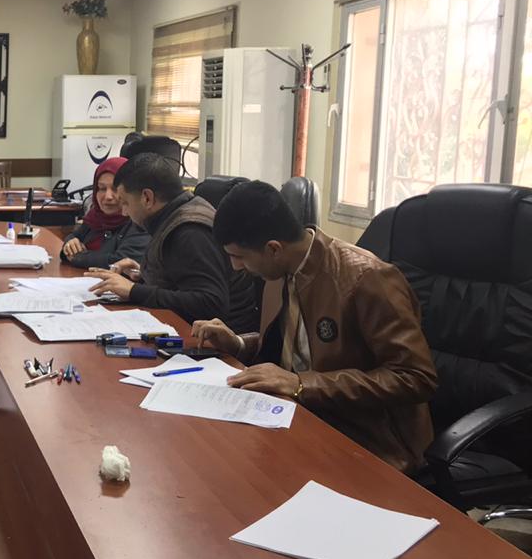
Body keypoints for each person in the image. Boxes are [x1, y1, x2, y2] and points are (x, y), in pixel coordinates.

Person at [191, 180, 437, 471]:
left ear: (273, 248)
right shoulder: (279, 270)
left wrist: (302, 384)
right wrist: (239, 344)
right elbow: (298, 345)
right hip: (296, 416)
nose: (236, 267)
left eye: (239, 257)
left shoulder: (366, 278)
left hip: (365, 438)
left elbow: (415, 377)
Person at [88, 153, 258, 333]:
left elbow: (211, 303)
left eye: (125, 203)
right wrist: (145, 274)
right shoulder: (177, 211)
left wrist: (134, 291)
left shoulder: (190, 232)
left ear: (147, 198)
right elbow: (186, 279)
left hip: (217, 341)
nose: (124, 212)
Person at [60, 157, 150, 270]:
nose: (108, 197)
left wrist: (79, 257)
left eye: (115, 189)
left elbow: (122, 262)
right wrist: (70, 244)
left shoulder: (139, 220)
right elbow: (74, 236)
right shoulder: (95, 216)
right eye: (102, 188)